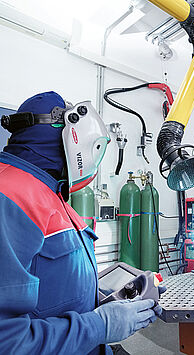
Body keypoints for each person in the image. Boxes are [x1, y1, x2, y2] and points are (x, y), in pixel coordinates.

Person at [0, 92, 160, 354]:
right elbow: (7, 343)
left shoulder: (50, 191)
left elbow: (52, 284)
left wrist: (115, 298)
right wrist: (99, 325)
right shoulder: (9, 195)